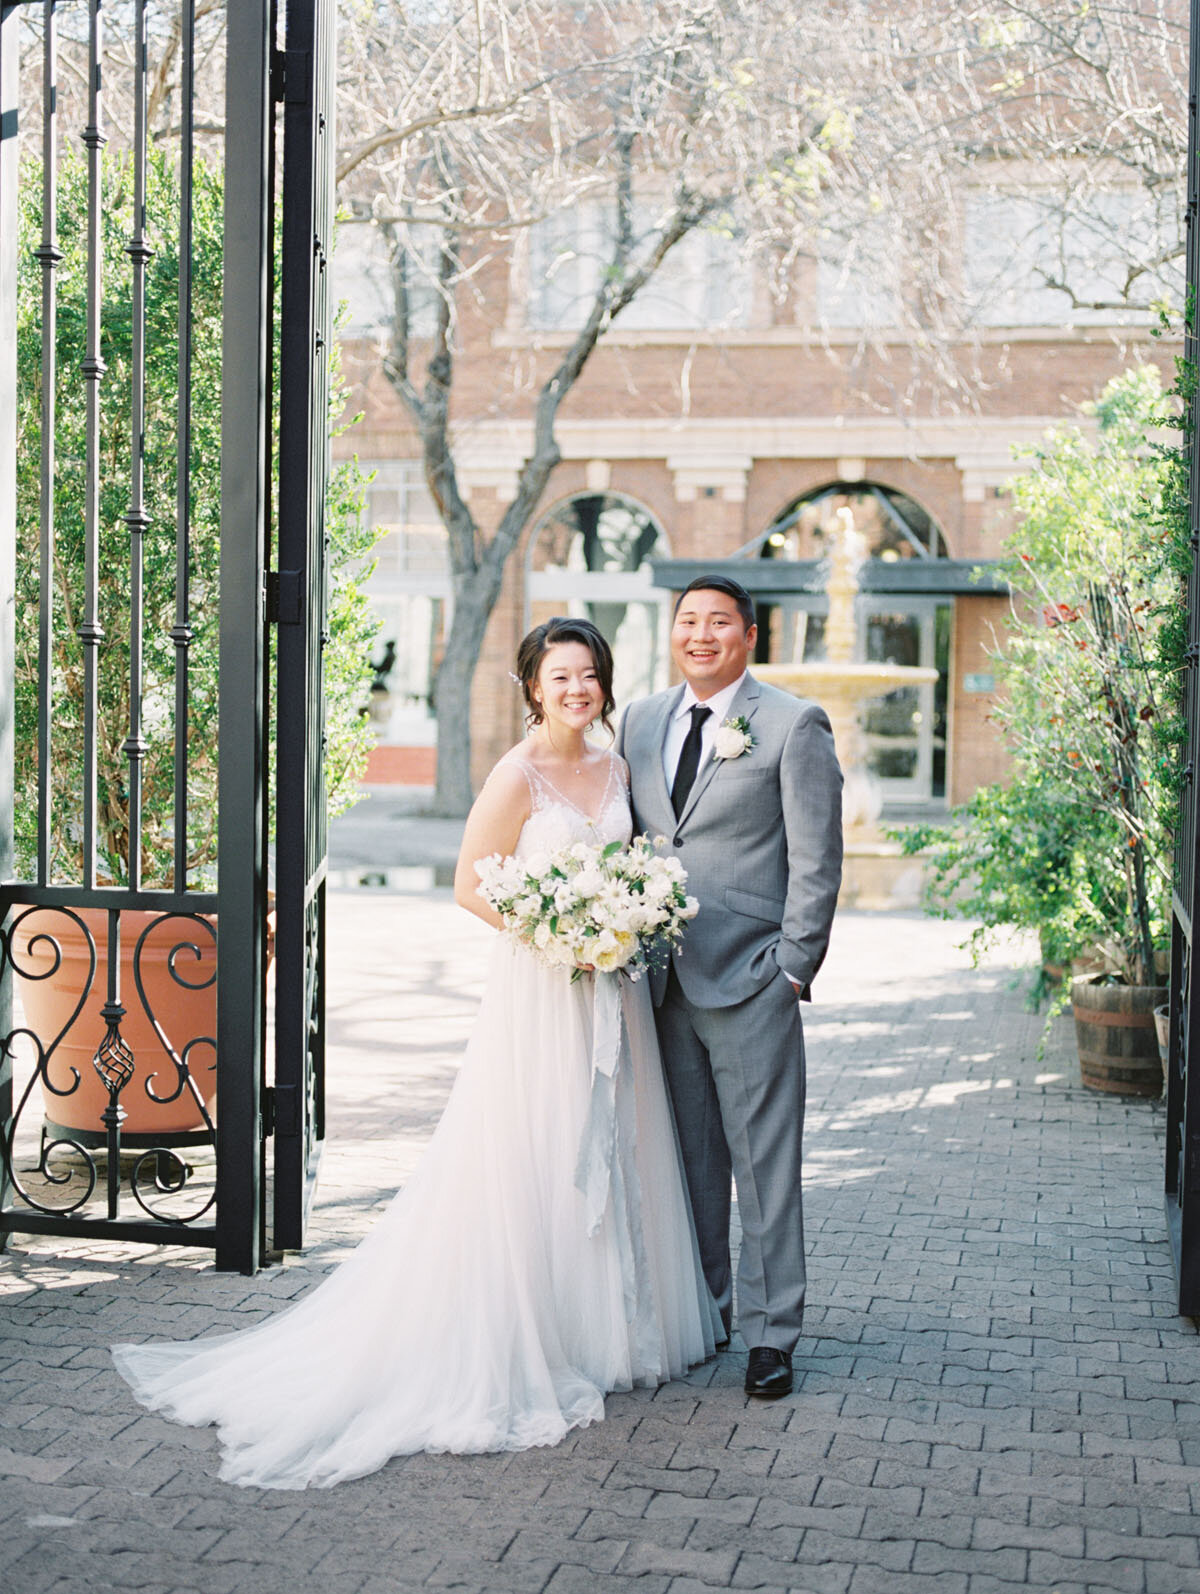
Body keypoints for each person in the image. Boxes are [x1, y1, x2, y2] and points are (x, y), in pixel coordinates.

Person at [112, 617, 719, 1489]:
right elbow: (472, 881)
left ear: (605, 684)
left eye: (589, 674)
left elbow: (627, 869)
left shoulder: (619, 768)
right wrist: (559, 935)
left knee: (614, 1139)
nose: (576, 689)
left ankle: (605, 1329)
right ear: (532, 687)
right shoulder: (519, 775)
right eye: (560, 676)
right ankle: (524, 1327)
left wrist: (619, 925)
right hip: (546, 989)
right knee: (535, 1148)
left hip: (613, 990)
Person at [616, 574, 843, 1399]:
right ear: (671, 632)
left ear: (750, 634)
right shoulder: (639, 722)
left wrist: (793, 966)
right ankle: (707, 1312)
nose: (700, 634)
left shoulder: (791, 723)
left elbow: (817, 856)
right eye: (687, 620)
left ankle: (772, 1333)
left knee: (766, 1167)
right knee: (691, 1169)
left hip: (751, 978)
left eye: (719, 622)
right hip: (661, 982)